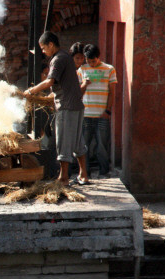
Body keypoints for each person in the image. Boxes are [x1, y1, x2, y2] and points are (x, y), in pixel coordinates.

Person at [24, 31, 89, 186]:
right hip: (77, 105)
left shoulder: (58, 59)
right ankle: (83, 174)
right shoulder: (65, 57)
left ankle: (64, 178)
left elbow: (49, 82)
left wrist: (31, 91)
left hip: (66, 107)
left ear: (51, 45)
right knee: (77, 140)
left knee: (64, 141)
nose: (43, 51)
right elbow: (64, 86)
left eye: (43, 48)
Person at [79, 44, 117, 177]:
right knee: (84, 146)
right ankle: (85, 173)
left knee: (102, 146)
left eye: (93, 61)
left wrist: (108, 111)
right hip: (86, 114)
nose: (91, 64)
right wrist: (84, 83)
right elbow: (78, 92)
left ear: (98, 57)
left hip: (102, 115)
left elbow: (112, 93)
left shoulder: (109, 69)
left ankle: (103, 173)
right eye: (88, 61)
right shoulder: (82, 69)